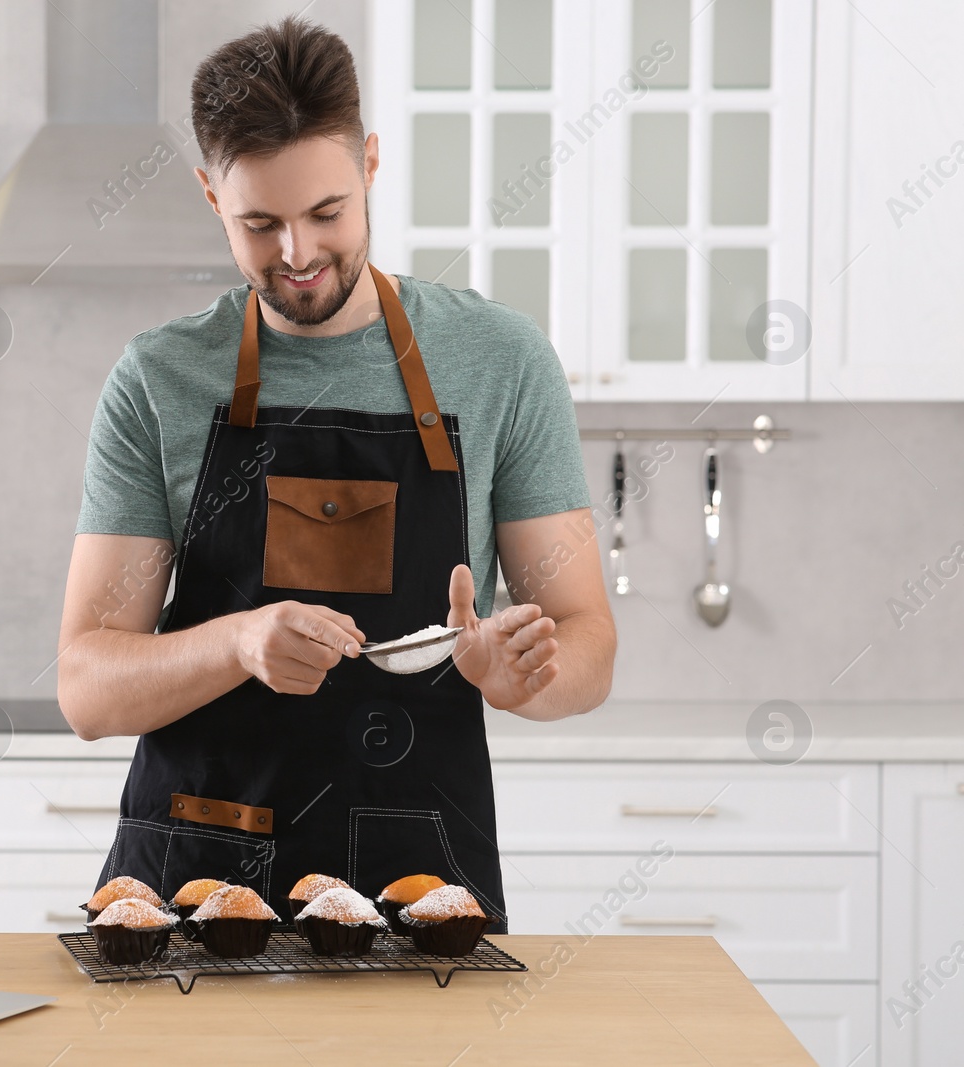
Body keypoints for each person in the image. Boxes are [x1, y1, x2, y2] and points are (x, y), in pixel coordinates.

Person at [56, 16, 615, 934]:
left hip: (422, 892)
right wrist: (238, 641)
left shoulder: (502, 360)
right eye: (260, 224)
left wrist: (520, 682)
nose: (298, 255)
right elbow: (85, 686)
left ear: (371, 167)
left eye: (326, 213)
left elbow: (588, 640)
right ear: (209, 194)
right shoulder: (158, 379)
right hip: (197, 883)